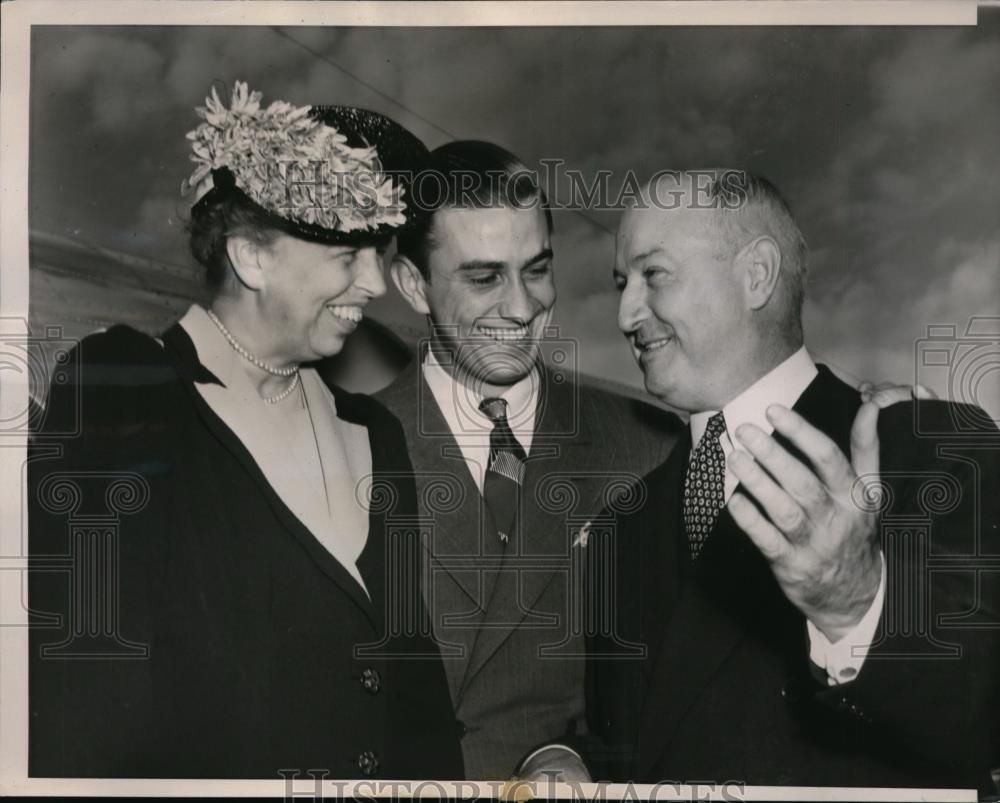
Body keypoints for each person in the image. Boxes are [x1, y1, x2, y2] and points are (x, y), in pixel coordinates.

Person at [28, 81, 463, 780]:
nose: (375, 284)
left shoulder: (374, 432)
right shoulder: (120, 387)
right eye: (349, 254)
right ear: (252, 254)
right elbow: (83, 700)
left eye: (380, 254)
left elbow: (415, 693)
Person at [585, 169, 1000, 792]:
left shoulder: (932, 448)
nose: (625, 313)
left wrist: (857, 603)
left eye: (653, 274)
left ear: (756, 274)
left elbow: (983, 708)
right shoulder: (624, 522)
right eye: (621, 283)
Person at [373, 141, 682, 780]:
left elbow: (675, 705)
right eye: (484, 278)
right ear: (412, 284)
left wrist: (577, 757)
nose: (521, 307)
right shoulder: (341, 443)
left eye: (536, 270)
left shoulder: (647, 447)